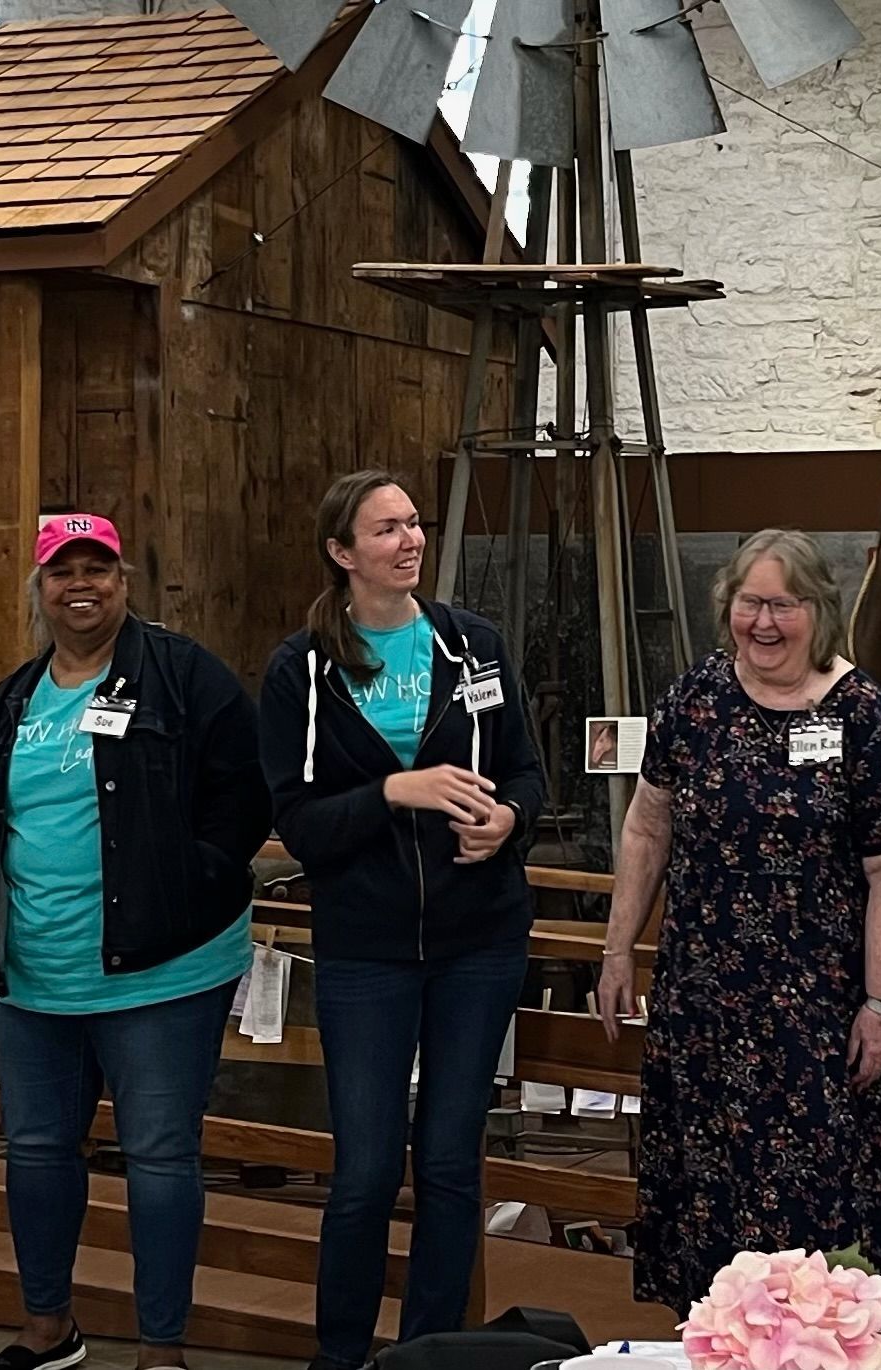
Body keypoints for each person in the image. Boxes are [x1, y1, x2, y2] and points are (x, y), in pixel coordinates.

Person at [0, 514, 271, 1370]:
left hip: (162, 970)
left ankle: (162, 1348)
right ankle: (49, 1328)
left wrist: (189, 883)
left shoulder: (183, 675)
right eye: (62, 571)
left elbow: (244, 794)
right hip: (31, 972)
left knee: (161, 1156)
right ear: (40, 589)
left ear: (125, 582)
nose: (79, 584)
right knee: (39, 1149)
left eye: (98, 569)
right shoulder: (17, 695)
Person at [597, 528, 881, 1311]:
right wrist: (619, 949)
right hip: (707, 1011)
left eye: (781, 604)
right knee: (712, 1219)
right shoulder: (696, 698)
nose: (763, 622)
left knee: (815, 1232)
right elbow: (647, 827)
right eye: (749, 602)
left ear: (816, 610)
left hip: (822, 1019)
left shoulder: (860, 713)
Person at [259, 471, 544, 1370]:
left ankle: (431, 1353)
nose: (410, 540)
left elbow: (530, 778)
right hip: (367, 952)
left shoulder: (475, 649)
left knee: (453, 1166)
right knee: (367, 1171)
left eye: (414, 523)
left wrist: (507, 824)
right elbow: (299, 824)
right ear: (343, 554)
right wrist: (394, 790)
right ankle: (341, 1354)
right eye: (386, 529)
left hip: (478, 945)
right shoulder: (298, 669)